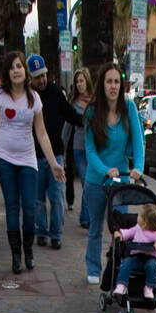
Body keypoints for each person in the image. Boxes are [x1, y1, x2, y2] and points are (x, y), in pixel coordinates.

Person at [0, 50, 65, 274]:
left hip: (28, 160)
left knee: (29, 207)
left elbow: (42, 133)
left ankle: (28, 250)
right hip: (5, 160)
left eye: (19, 66)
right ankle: (16, 256)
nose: (16, 70)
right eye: (12, 67)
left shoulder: (34, 98)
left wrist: (54, 163)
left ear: (25, 71)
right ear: (7, 72)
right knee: (12, 208)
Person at [84, 63, 145, 286]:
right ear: (102, 85)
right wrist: (104, 170)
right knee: (96, 226)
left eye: (116, 82)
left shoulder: (129, 108)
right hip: (97, 180)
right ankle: (92, 266)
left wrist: (138, 167)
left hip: (121, 181)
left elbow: (138, 143)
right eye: (109, 82)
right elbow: (90, 150)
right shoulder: (92, 112)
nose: (113, 86)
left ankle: (115, 267)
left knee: (121, 229)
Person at [26, 54, 83, 250]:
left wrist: (86, 121)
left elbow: (69, 113)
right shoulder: (28, 96)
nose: (41, 80)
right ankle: (41, 231)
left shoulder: (55, 92)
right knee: (38, 199)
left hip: (56, 155)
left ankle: (56, 233)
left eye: (43, 75)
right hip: (33, 156)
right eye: (37, 76)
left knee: (57, 196)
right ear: (30, 78)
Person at [112, 202, 156, 300]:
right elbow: (128, 232)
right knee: (126, 263)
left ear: (145, 223)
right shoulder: (137, 228)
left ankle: (149, 287)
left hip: (150, 259)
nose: (137, 216)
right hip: (136, 258)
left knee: (153, 266)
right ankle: (121, 285)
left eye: (140, 215)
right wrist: (120, 234)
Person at [64, 67, 94, 228]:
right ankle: (86, 218)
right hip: (78, 147)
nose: (79, 84)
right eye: (77, 81)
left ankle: (85, 217)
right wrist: (61, 151)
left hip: (93, 149)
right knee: (85, 181)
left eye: (82, 80)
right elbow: (67, 129)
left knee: (90, 182)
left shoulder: (96, 101)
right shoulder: (73, 103)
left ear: (87, 81)